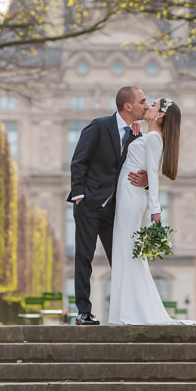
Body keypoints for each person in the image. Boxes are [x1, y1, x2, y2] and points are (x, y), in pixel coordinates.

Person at [108, 97, 196, 325]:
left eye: (153, 105)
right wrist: (135, 134)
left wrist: (155, 211)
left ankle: (131, 312)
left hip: (131, 197)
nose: (147, 106)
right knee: (124, 251)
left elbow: (153, 176)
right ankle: (125, 311)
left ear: (160, 116)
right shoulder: (149, 136)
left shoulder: (155, 139)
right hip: (128, 194)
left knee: (128, 252)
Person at [67, 85, 148, 325]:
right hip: (89, 204)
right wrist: (80, 194)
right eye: (142, 101)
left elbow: (137, 170)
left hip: (116, 209)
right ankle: (83, 312)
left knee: (121, 258)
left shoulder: (137, 136)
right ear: (128, 106)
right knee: (84, 257)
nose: (146, 105)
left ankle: (127, 310)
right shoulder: (99, 126)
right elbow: (79, 160)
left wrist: (146, 181)